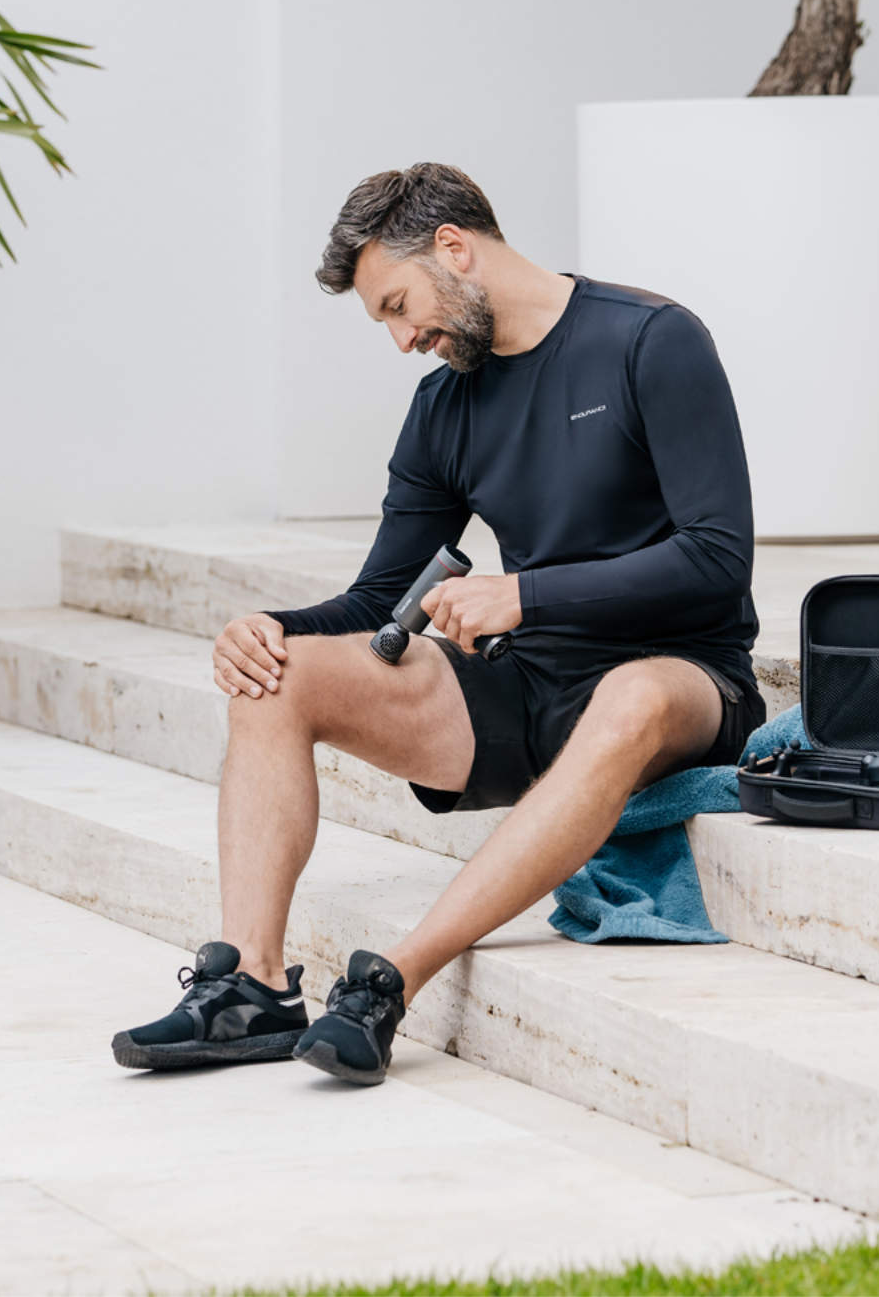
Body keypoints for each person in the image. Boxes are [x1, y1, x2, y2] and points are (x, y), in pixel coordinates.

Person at [111, 162, 764, 1086]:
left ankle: (396, 979)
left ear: (454, 249)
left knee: (632, 696)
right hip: (528, 687)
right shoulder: (444, 405)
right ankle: (250, 985)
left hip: (684, 677)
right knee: (279, 675)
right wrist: (266, 625)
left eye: (398, 304)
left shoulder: (651, 341)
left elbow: (716, 557)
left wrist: (526, 594)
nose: (403, 337)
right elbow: (378, 599)